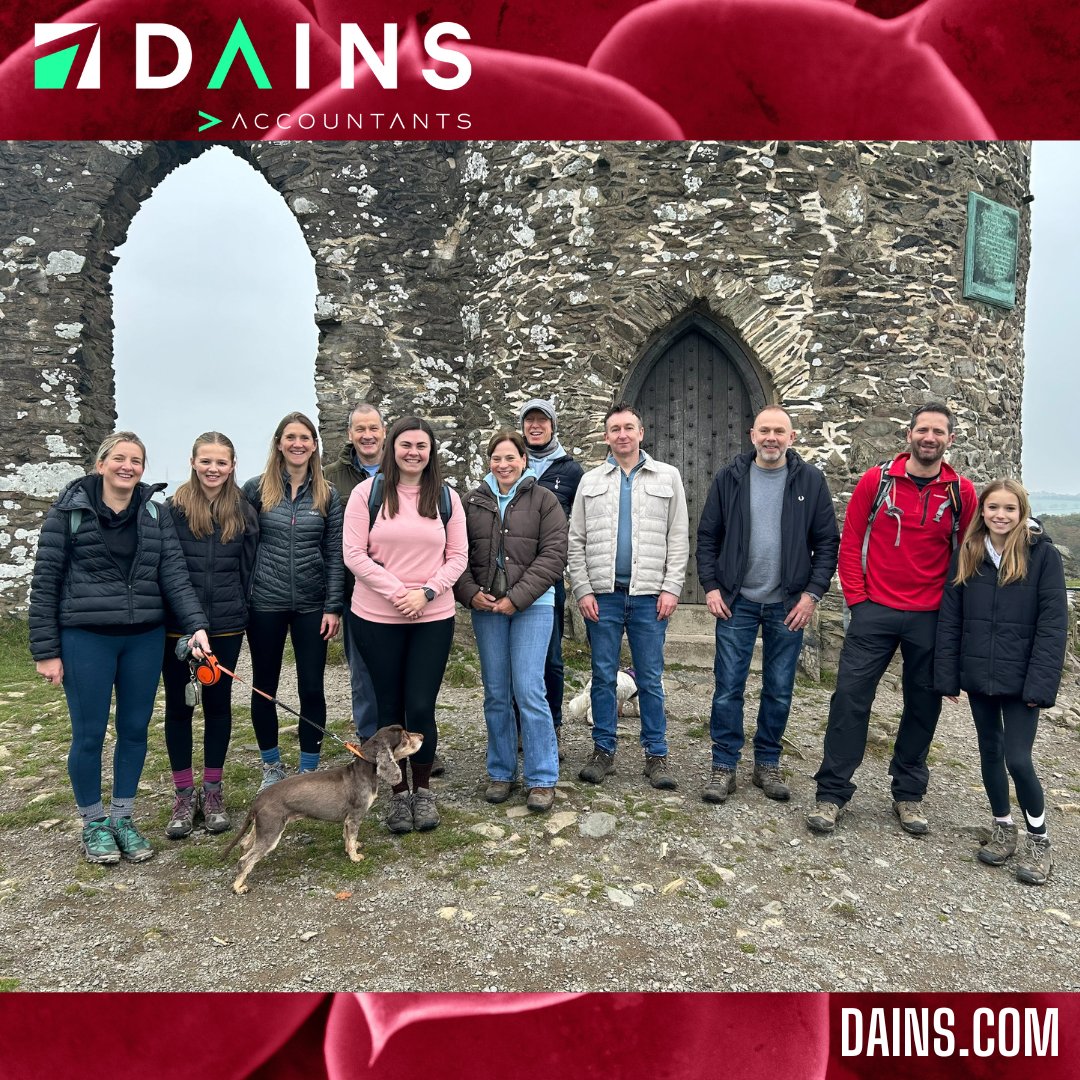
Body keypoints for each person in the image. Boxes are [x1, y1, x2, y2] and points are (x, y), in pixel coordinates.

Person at [28, 432, 210, 865]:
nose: (128, 466)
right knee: (89, 735)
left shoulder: (154, 513)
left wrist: (196, 626)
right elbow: (45, 582)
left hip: (144, 638)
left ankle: (123, 818)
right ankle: (94, 823)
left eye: (137, 460)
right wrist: (45, 650)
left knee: (134, 730)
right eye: (120, 458)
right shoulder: (68, 511)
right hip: (85, 638)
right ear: (101, 463)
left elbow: (173, 575)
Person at [808, 402, 977, 836]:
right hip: (875, 611)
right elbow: (851, 542)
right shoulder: (877, 481)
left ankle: (908, 794)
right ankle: (831, 793)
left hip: (931, 617)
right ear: (909, 435)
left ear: (949, 440)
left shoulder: (961, 493)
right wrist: (859, 601)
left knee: (923, 706)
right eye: (923, 430)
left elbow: (968, 556)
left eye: (938, 432)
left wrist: (953, 615)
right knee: (849, 699)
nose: (929, 438)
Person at [696, 405, 839, 804]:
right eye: (764, 431)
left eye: (779, 431)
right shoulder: (730, 478)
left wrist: (811, 595)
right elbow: (708, 536)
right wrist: (711, 587)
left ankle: (767, 763)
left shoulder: (810, 480)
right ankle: (724, 765)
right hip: (736, 602)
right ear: (752, 435)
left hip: (788, 604)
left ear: (791, 438)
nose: (771, 437)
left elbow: (827, 543)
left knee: (778, 689)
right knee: (728, 688)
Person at [934, 479, 1067, 885]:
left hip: (1023, 679)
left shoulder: (1042, 556)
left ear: (1022, 511)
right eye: (994, 507)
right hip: (978, 674)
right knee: (989, 752)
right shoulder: (969, 552)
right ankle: (1003, 826)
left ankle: (1039, 839)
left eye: (1010, 508)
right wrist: (947, 676)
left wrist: (1040, 686)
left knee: (1018, 760)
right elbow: (951, 617)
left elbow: (1053, 625)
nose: (1001, 515)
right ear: (983, 510)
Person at [343, 416, 467, 833]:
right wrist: (399, 591)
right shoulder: (367, 494)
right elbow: (353, 554)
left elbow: (458, 557)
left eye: (422, 446)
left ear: (431, 453)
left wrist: (426, 593)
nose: (413, 452)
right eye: (405, 445)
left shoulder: (446, 497)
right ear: (392, 448)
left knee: (420, 707)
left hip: (432, 618)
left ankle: (424, 791)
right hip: (376, 617)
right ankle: (397, 797)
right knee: (388, 707)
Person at [567, 402, 689, 790]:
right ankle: (603, 750)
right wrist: (583, 589)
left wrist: (671, 588)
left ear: (641, 433)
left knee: (650, 678)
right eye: (615, 428)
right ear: (606, 436)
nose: (622, 434)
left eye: (629, 427)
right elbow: (576, 541)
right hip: (602, 596)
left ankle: (656, 754)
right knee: (602, 676)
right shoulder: (590, 481)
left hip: (649, 597)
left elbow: (678, 537)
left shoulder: (667, 477)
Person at [454, 429, 568, 812]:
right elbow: (455, 553)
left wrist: (516, 600)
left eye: (511, 458)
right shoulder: (470, 502)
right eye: (497, 458)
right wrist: (470, 593)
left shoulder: (544, 500)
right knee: (496, 692)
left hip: (533, 606)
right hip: (487, 607)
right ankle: (501, 771)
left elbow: (553, 556)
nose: (504, 465)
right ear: (489, 461)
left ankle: (541, 777)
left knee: (529, 688)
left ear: (524, 460)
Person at [160, 432, 260, 838]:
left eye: (221, 462)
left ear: (233, 465)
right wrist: (189, 621)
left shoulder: (244, 511)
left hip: (227, 626)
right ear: (193, 461)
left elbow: (250, 568)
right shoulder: (172, 510)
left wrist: (242, 606)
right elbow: (170, 569)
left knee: (218, 707)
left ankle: (213, 790)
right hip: (179, 630)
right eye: (206, 461)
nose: (213, 469)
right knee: (180, 708)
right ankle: (184, 795)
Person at [242, 413, 343, 789]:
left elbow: (335, 553)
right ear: (279, 442)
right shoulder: (255, 489)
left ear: (314, 445)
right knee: (264, 686)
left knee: (312, 688)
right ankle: (271, 765)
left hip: (312, 604)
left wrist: (333, 605)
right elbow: (241, 544)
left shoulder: (328, 494)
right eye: (290, 437)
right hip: (264, 603)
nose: (297, 444)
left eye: (305, 437)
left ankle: (308, 768)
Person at [518, 398, 584, 761]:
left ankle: (551, 724)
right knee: (516, 658)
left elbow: (582, 521)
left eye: (542, 421)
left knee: (551, 659)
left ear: (553, 426)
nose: (536, 426)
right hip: (510, 577)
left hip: (549, 579)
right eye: (530, 421)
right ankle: (518, 726)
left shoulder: (571, 470)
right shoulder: (513, 462)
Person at [324, 402, 385, 743]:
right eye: (360, 429)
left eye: (373, 428)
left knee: (404, 673)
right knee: (362, 675)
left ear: (383, 431)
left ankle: (409, 742)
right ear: (350, 434)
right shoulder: (330, 477)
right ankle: (370, 743)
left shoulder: (404, 467)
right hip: (355, 590)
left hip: (402, 589)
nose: (367, 435)